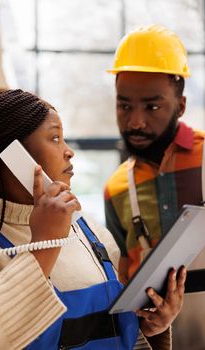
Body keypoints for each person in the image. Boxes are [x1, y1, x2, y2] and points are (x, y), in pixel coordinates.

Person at [0, 89, 186, 350]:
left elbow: (111, 331)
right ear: (11, 156)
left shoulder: (90, 230)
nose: (69, 152)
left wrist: (151, 329)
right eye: (55, 138)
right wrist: (45, 244)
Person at [104, 24, 205, 349]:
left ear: (181, 106)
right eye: (124, 105)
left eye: (152, 106)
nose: (135, 121)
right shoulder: (116, 188)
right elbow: (123, 280)